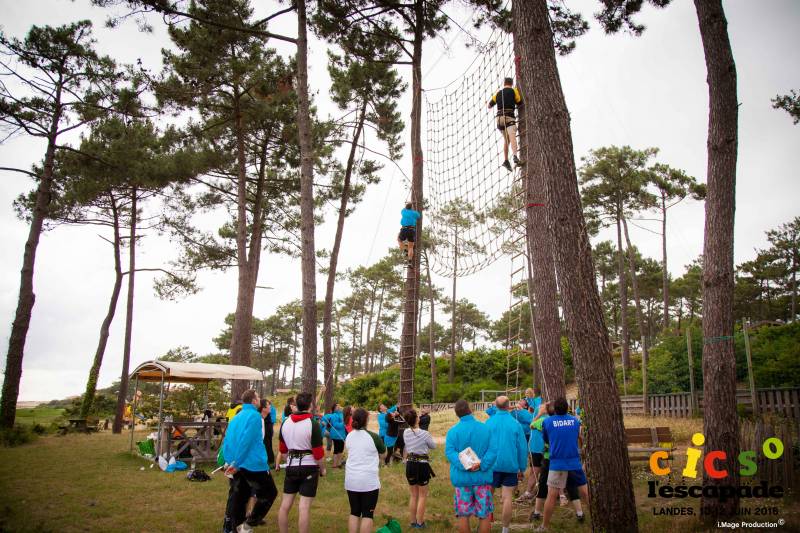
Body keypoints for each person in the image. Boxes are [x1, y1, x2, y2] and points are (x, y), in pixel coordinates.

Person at [222, 389, 278, 533]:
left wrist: (229, 461)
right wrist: (236, 463)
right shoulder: (254, 416)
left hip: (238, 463)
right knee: (270, 493)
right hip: (253, 464)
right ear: (253, 401)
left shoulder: (237, 416)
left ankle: (236, 528)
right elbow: (245, 441)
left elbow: (227, 440)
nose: (259, 399)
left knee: (241, 498)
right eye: (258, 397)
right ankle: (248, 525)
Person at [445, 399, 497, 533]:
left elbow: (450, 452)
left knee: (463, 516)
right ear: (471, 410)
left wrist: (466, 465)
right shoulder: (485, 428)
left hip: (462, 479)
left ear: (457, 414)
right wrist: (482, 465)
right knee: (484, 515)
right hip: (482, 478)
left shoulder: (452, 432)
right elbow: (493, 450)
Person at [276, 392, 326, 533]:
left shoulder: (286, 422)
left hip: (291, 466)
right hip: (309, 466)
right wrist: (322, 469)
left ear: (296, 405)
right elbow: (318, 452)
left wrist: (290, 461)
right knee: (303, 507)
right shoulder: (312, 423)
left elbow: (283, 450)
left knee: (285, 506)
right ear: (310, 405)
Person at [538, 397, 589, 531]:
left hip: (557, 463)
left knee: (551, 495)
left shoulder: (547, 422)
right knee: (585, 492)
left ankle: (544, 526)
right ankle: (599, 520)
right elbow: (577, 436)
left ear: (555, 409)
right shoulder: (575, 421)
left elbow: (546, 440)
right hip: (574, 461)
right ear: (567, 408)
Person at [485, 396, 528, 533]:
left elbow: (482, 446)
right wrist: (522, 468)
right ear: (509, 406)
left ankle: (486, 525)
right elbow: (522, 448)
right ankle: (505, 529)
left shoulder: (488, 423)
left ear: (495, 406)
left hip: (492, 465)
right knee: (507, 497)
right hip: (510, 465)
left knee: (488, 495)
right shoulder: (515, 424)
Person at [345, 408, 386, 533]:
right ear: (366, 420)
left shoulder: (349, 436)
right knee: (367, 514)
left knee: (354, 512)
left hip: (351, 480)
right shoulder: (373, 436)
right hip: (368, 481)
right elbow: (384, 454)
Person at [402, 409, 436, 529]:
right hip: (422, 465)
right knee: (422, 495)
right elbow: (433, 446)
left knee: (413, 495)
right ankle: (420, 522)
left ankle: (412, 521)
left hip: (410, 464)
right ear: (417, 419)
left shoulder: (406, 432)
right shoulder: (424, 433)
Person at [487, 77, 523, 171]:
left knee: (506, 140)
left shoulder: (498, 93)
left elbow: (489, 105)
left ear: (504, 83)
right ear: (511, 83)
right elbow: (519, 102)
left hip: (499, 120)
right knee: (512, 136)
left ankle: (506, 160)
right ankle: (515, 156)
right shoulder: (513, 90)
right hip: (509, 117)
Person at [323, 403, 347, 468]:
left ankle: (338, 463)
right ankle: (335, 464)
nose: (339, 407)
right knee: (337, 450)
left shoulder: (341, 414)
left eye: (339, 406)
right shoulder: (334, 415)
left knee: (340, 449)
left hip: (341, 435)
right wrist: (343, 423)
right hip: (337, 435)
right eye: (337, 406)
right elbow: (336, 425)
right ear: (334, 409)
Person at [260, 398, 277, 468]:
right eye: (268, 405)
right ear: (263, 408)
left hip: (268, 433)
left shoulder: (268, 417)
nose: (270, 406)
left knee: (268, 444)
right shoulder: (259, 419)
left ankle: (271, 461)